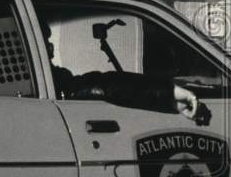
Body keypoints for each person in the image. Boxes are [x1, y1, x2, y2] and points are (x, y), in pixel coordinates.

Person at [42, 20, 200, 119]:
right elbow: (104, 85)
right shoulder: (60, 86)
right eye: (46, 41)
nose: (51, 47)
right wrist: (170, 95)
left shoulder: (51, 82)